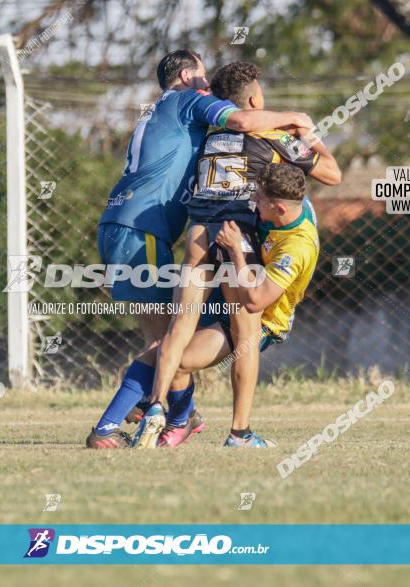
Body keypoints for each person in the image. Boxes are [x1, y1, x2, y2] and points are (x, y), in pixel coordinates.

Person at [136, 61, 340, 448]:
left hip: (199, 231)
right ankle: (240, 432)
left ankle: (157, 406)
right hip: (236, 235)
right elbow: (332, 175)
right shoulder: (274, 134)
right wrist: (308, 135)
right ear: (253, 98)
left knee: (180, 327)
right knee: (245, 332)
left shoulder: (213, 134)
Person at [98, 50, 315, 355]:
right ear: (186, 77)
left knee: (165, 340)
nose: (208, 86)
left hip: (119, 221)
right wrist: (293, 119)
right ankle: (153, 404)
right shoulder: (188, 99)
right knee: (163, 345)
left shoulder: (161, 110)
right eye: (202, 74)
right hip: (142, 228)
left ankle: (179, 405)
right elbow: (240, 120)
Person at [87, 163, 319, 449]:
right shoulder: (284, 207)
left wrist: (235, 250)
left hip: (265, 320)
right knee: (162, 353)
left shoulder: (297, 247)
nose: (253, 201)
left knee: (180, 362)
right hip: (225, 301)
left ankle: (238, 434)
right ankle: (166, 421)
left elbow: (256, 300)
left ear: (280, 209)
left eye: (259, 198)